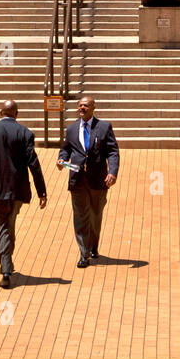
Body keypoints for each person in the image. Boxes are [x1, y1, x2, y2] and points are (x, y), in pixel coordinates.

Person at [0, 100, 47, 288]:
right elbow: (34, 164)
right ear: (17, 114)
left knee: (3, 226)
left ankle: (6, 270)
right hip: (17, 189)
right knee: (8, 225)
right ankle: (7, 265)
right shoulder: (25, 133)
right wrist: (42, 191)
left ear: (1, 112)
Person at [57, 96, 119, 267]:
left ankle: (93, 246)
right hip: (77, 180)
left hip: (98, 179)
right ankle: (84, 253)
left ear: (93, 108)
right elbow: (65, 149)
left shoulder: (104, 127)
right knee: (80, 217)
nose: (82, 108)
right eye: (80, 105)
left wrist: (112, 172)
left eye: (85, 105)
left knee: (95, 214)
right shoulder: (71, 129)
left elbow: (113, 151)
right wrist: (61, 160)